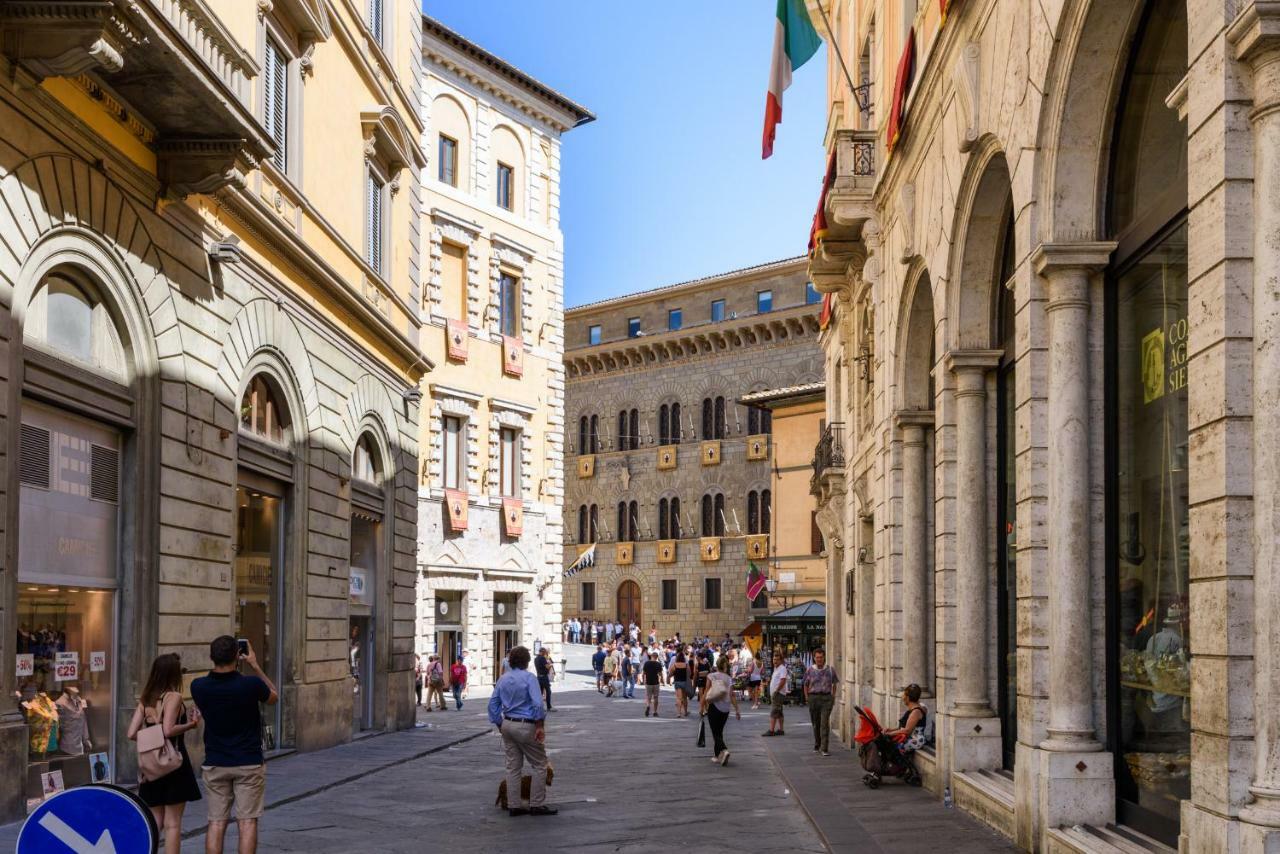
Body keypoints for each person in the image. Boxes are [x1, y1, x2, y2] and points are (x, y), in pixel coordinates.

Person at [191, 636, 278, 854]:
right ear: (237, 656)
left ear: (212, 657)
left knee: (216, 822)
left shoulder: (198, 686)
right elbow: (273, 696)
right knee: (247, 821)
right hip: (248, 761)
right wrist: (255, 665)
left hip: (215, 761)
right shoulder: (251, 685)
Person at [128, 653, 202, 854]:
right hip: (173, 763)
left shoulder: (145, 699)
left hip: (151, 768)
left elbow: (131, 733)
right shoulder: (174, 697)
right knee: (173, 823)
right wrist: (191, 724)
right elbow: (168, 730)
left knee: (155, 822)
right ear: (173, 674)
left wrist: (151, 738)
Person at [487, 646, 556, 816]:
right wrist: (539, 725)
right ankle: (536, 804)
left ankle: (514, 805)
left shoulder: (502, 679)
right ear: (526, 661)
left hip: (508, 723)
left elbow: (492, 706)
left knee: (513, 767)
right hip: (526, 724)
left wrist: (500, 725)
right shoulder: (529, 678)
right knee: (540, 764)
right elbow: (538, 704)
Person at [701, 654, 740, 766]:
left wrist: (701, 706)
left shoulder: (711, 676)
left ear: (716, 665)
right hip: (726, 709)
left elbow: (706, 692)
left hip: (714, 706)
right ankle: (717, 755)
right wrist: (737, 710)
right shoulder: (729, 679)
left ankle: (724, 750)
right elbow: (732, 695)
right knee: (719, 732)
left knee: (715, 732)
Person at [803, 648, 837, 756]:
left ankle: (824, 748)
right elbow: (805, 684)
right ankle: (817, 743)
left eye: (821, 657)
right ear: (814, 658)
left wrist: (833, 696)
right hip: (813, 698)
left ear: (824, 658)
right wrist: (806, 697)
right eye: (817, 657)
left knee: (824, 723)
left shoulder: (830, 670)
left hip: (826, 698)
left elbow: (834, 683)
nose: (819, 659)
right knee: (816, 723)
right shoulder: (809, 670)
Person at [883, 683, 929, 754]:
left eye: (904, 695)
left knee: (892, 747)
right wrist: (890, 730)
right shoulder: (914, 709)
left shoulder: (916, 712)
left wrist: (890, 734)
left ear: (907, 698)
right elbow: (903, 728)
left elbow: (907, 730)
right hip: (911, 737)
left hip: (915, 740)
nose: (902, 697)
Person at [763, 651, 789, 736]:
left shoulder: (782, 668)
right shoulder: (776, 668)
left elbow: (783, 680)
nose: (775, 661)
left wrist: (777, 691)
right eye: (774, 659)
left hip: (778, 694)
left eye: (777, 660)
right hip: (776, 693)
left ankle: (771, 730)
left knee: (774, 711)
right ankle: (781, 730)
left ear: (781, 661)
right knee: (779, 712)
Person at [668, 648, 691, 718]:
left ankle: (678, 713)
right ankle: (686, 712)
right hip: (684, 682)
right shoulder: (686, 665)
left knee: (678, 698)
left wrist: (668, 678)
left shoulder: (674, 665)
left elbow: (670, 673)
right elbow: (689, 674)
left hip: (677, 682)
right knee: (684, 698)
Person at [642, 651, 665, 717]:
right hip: (656, 682)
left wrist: (644, 680)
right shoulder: (658, 664)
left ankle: (648, 706)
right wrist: (663, 681)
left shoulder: (646, 663)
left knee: (648, 697)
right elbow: (660, 674)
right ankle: (655, 712)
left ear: (651, 656)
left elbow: (643, 673)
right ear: (657, 657)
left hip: (648, 682)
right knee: (656, 697)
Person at [534, 647, 555, 711]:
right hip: (544, 677)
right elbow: (547, 667)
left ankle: (539, 707)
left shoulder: (536, 659)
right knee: (548, 691)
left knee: (540, 693)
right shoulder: (542, 658)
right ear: (542, 652)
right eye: (545, 652)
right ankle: (549, 707)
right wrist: (550, 665)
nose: (545, 653)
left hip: (538, 677)